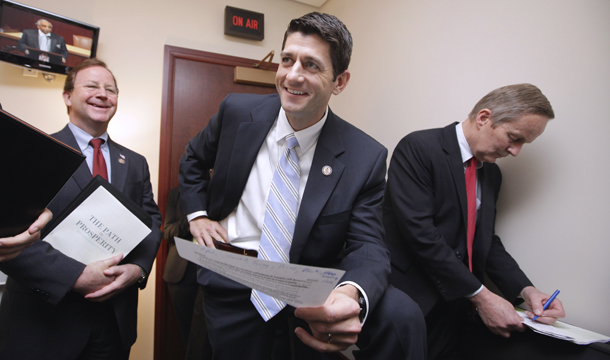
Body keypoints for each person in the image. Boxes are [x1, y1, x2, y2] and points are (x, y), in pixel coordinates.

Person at [179, 12, 425, 360]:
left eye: (311, 65)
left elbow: (368, 245)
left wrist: (350, 292)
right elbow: (192, 158)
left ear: (339, 82)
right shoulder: (236, 112)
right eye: (287, 60)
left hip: (304, 298)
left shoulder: (365, 156)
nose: (293, 75)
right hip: (230, 283)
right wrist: (197, 214)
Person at [383, 83, 566, 359]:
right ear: (484, 118)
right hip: (410, 304)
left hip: (456, 311)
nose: (516, 152)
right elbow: (421, 234)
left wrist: (525, 290)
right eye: (514, 138)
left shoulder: (492, 174)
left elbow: (485, 241)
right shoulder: (419, 148)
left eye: (523, 144)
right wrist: (482, 296)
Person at [0, 58, 162, 359]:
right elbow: (8, 233)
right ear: (67, 96)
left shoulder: (136, 161)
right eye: (92, 86)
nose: (103, 94)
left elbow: (151, 222)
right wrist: (75, 276)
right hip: (42, 322)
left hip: (114, 323)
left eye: (110, 89)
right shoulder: (37, 150)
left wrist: (138, 270)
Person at [162, 186, 210, 359]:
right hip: (181, 273)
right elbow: (167, 232)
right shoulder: (177, 193)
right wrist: (191, 223)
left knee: (204, 338)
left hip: (214, 269)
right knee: (187, 334)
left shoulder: (222, 190)